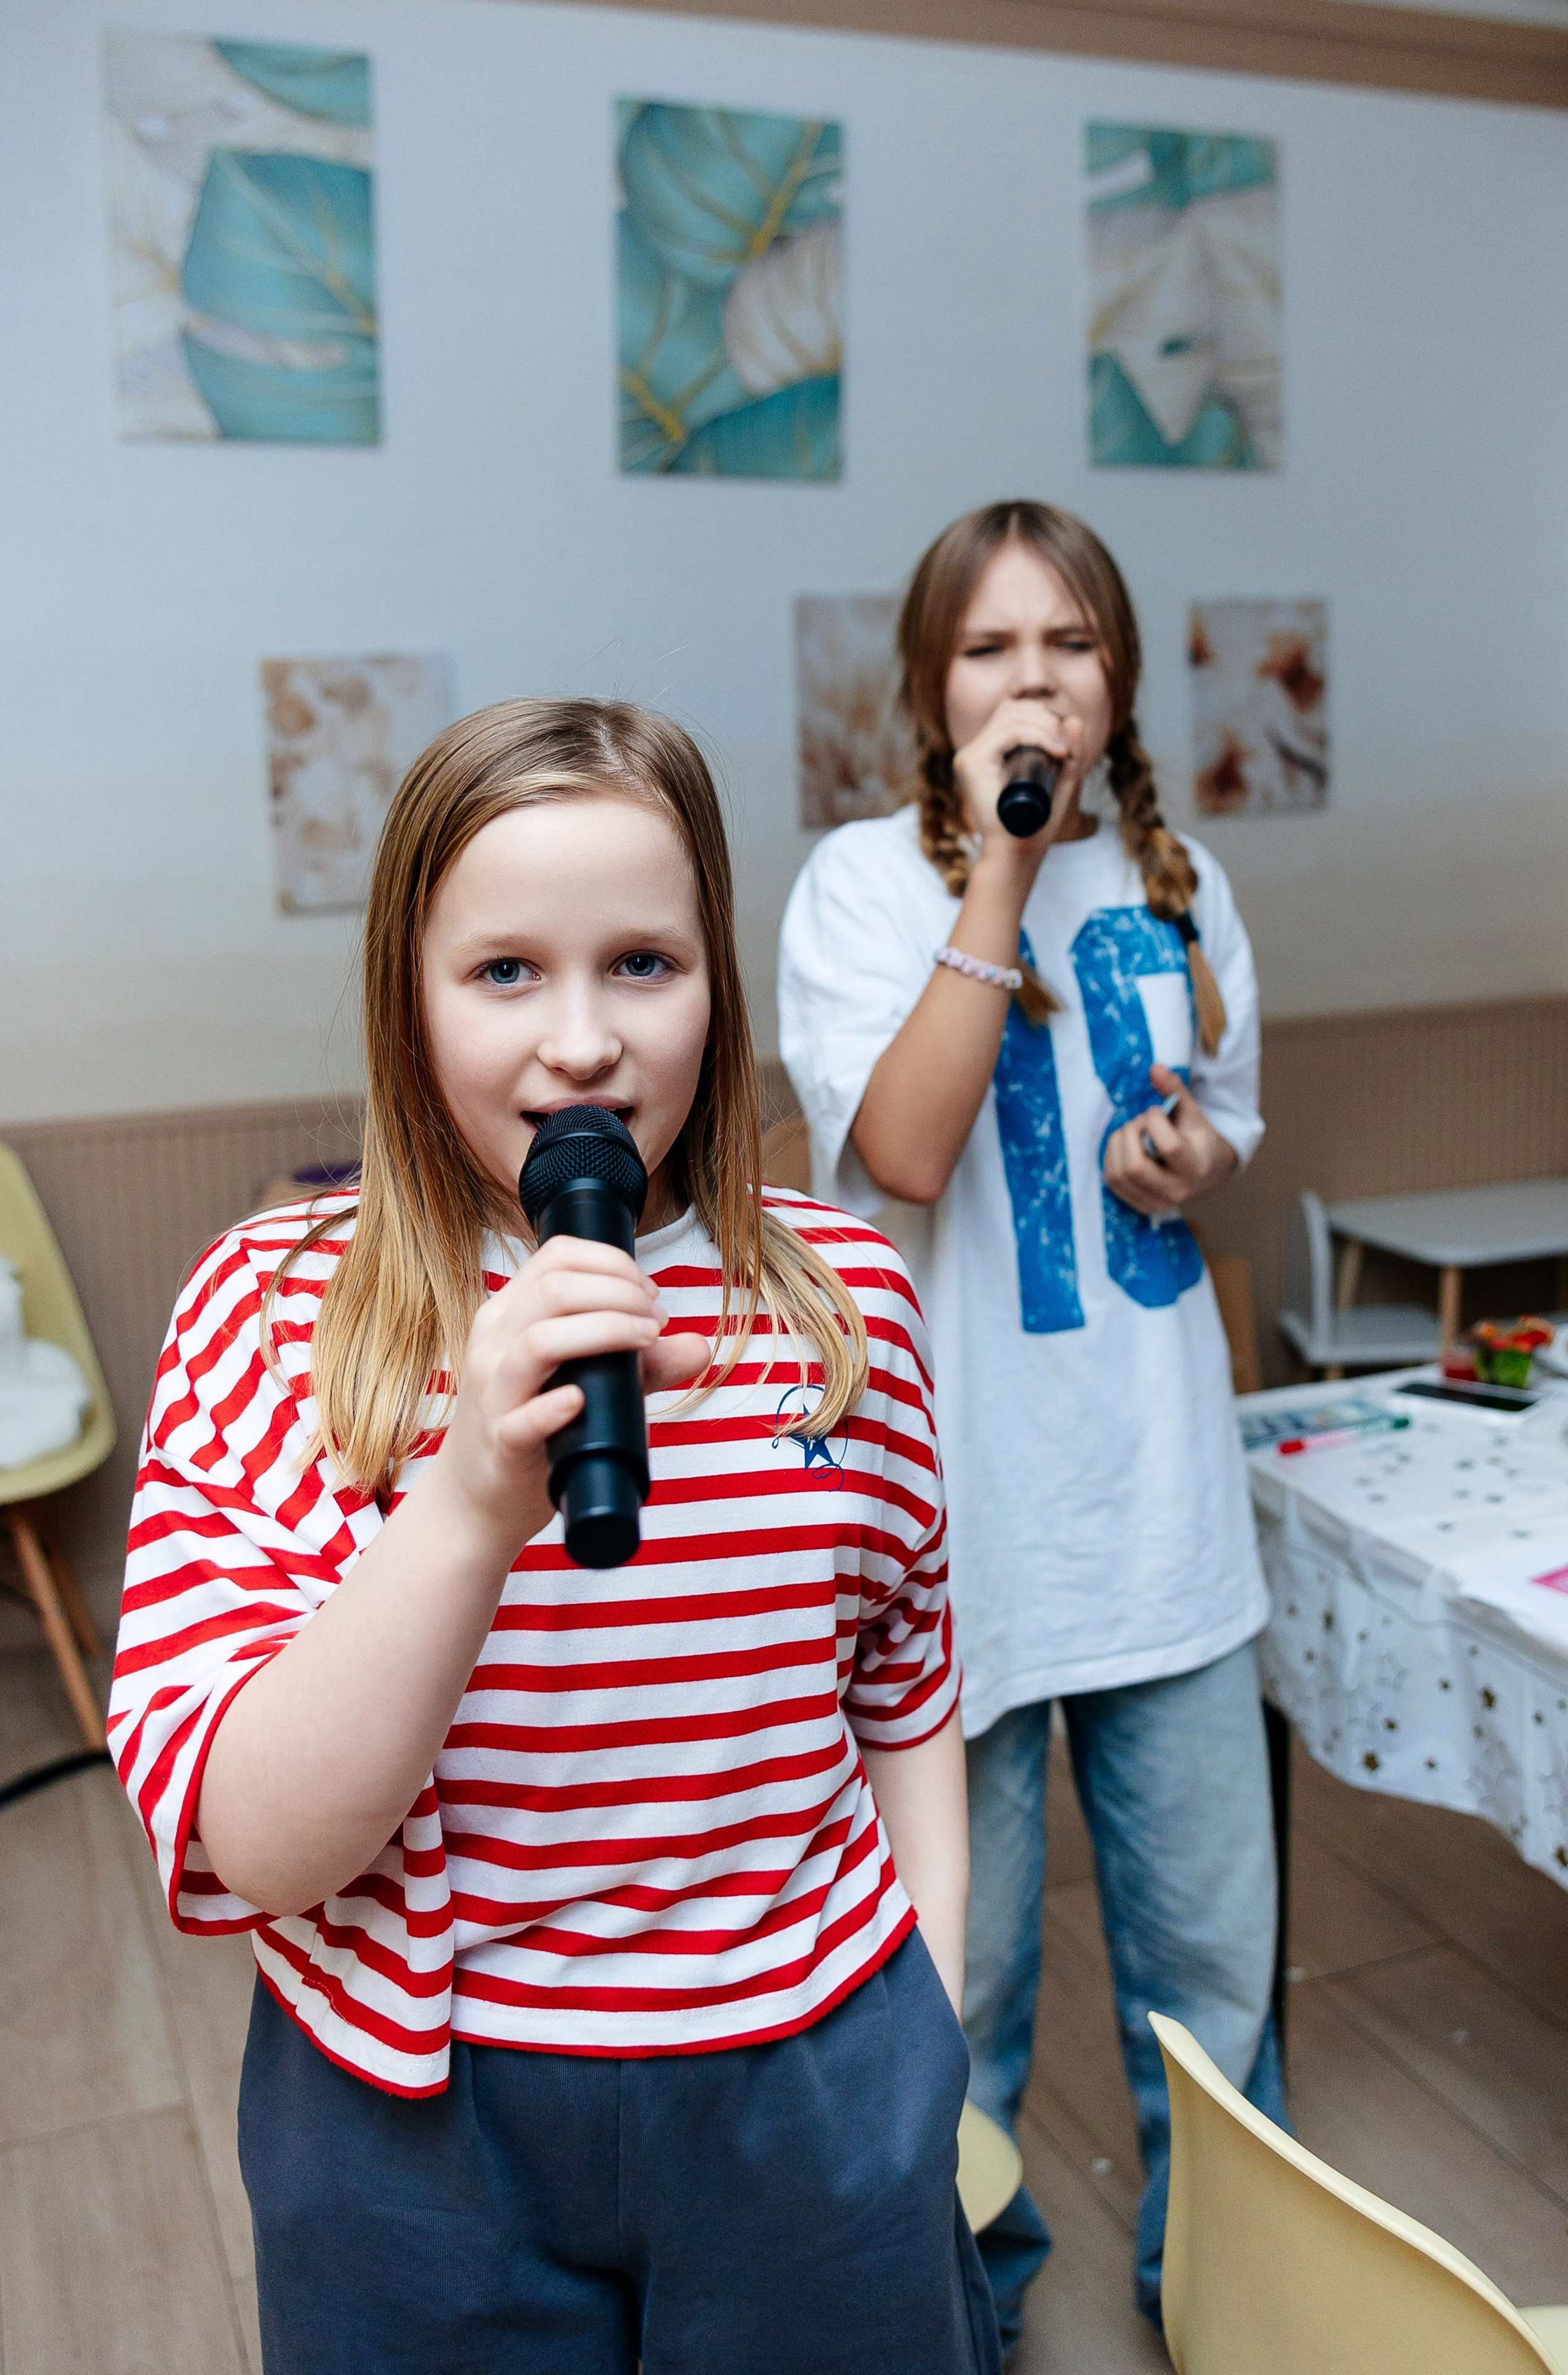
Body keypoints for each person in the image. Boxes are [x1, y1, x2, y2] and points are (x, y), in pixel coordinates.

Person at [109, 698, 1000, 2375]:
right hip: (418, 2126)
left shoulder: (839, 1308)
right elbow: (262, 1846)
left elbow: (905, 1683)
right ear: (408, 995)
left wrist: (921, 2031)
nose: (582, 1044)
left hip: (809, 2081)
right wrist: (462, 1507)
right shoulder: (270, 1314)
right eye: (505, 971)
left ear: (717, 986)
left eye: (644, 964)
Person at [778, 502, 1284, 2351]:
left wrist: (1191, 1156)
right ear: (931, 687)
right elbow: (903, 1152)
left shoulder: (1184, 882)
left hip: (1160, 1524)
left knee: (1217, 1972)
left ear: (1118, 674)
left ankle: (1228, 2295)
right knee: (956, 1988)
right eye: (991, 650)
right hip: (958, 1540)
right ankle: (958, 2319)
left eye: (1067, 644)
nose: (1033, 680)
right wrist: (1003, 871)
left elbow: (1222, 1109)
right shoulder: (856, 884)